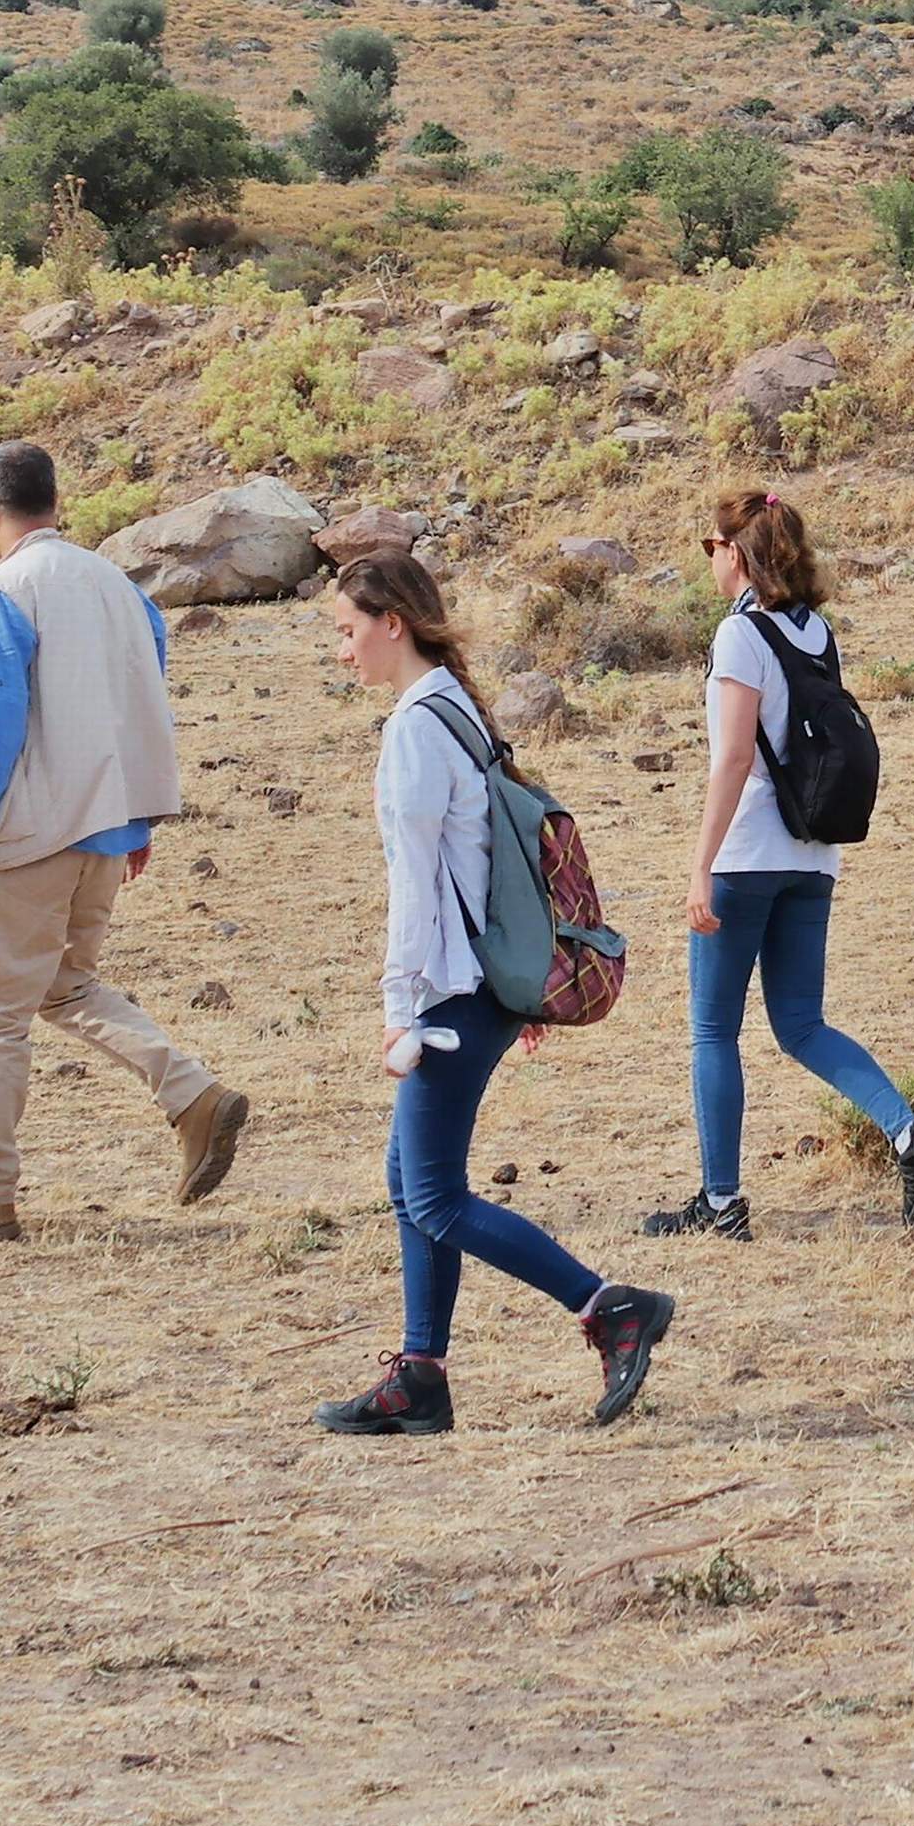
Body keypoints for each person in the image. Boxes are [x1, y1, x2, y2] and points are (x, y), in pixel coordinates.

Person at [311, 550, 675, 1437]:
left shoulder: (417, 725)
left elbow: (419, 885)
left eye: (348, 630)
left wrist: (402, 1011)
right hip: (480, 985)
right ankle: (419, 1376)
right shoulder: (459, 711)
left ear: (391, 622)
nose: (343, 649)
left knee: (431, 1192)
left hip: (449, 991)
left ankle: (608, 1308)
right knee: (411, 1178)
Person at [0, 441, 243, 1243]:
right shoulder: (116, 584)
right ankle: (190, 1093)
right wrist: (135, 816)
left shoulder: (7, 587)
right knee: (64, 984)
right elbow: (141, 689)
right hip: (106, 825)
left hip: (33, 831)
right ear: (59, 501)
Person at [642, 488, 914, 1241]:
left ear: (738, 552)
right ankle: (908, 1131)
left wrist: (700, 865)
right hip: (813, 853)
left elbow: (734, 757)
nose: (709, 562)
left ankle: (720, 1201)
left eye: (711, 547)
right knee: (802, 1023)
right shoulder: (818, 632)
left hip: (747, 850)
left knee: (713, 1029)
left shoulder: (740, 635)